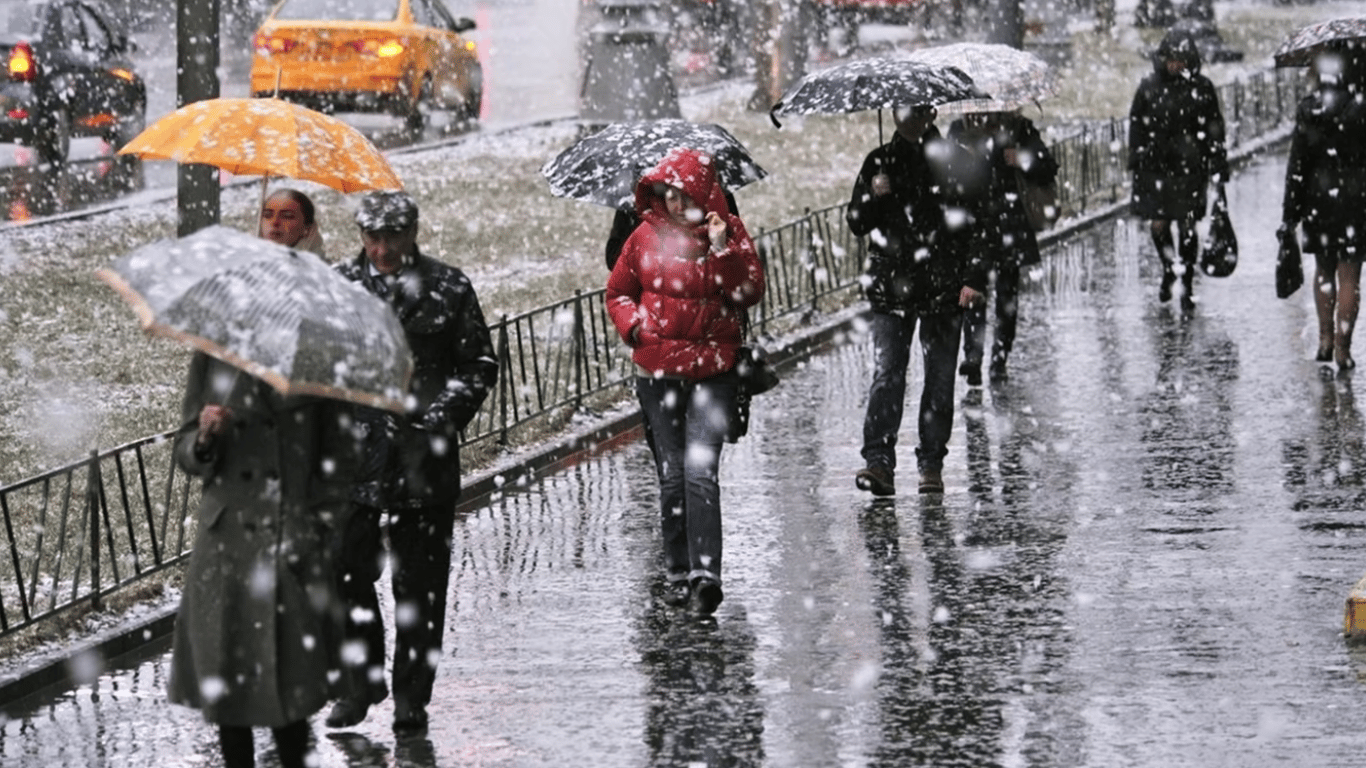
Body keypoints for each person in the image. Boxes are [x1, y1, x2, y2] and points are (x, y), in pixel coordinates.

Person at [327, 190, 498, 732]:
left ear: (411, 233)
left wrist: (438, 413)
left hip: (424, 457)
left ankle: (411, 698)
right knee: (345, 571)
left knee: (420, 585)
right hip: (356, 458)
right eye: (371, 238)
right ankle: (361, 681)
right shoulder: (339, 287)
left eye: (391, 236)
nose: (381, 248)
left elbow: (478, 364)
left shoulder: (448, 286)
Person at [167, 353, 360, 768]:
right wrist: (203, 439)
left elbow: (341, 460)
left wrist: (317, 529)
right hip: (227, 546)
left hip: (290, 543)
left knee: (291, 695)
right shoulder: (213, 356)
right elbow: (184, 452)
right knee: (229, 702)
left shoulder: (316, 359)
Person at [606, 147, 764, 615]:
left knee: (699, 470)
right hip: (658, 373)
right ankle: (677, 570)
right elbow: (618, 291)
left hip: (713, 372)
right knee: (673, 474)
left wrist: (722, 250)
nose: (675, 203)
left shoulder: (728, 232)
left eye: (683, 193)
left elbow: (748, 292)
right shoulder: (642, 237)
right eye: (668, 194)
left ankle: (705, 576)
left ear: (702, 192)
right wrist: (634, 325)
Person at [847, 104, 986, 497]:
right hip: (891, 286)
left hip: (943, 283)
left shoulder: (955, 161)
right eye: (898, 108)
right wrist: (875, 195)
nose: (904, 115)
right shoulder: (879, 162)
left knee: (939, 378)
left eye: (914, 108)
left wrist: (973, 276)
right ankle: (878, 461)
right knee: (888, 372)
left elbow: (979, 222)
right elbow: (856, 221)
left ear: (930, 112)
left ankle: (931, 463)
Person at [947, 110, 1058, 385]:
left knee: (1007, 298)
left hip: (1010, 224)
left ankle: (999, 359)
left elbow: (1048, 166)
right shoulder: (960, 130)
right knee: (973, 292)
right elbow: (945, 175)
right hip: (974, 225)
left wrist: (1022, 159)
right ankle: (973, 357)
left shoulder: (1018, 128)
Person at [1127, 28, 1229, 311]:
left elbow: (1214, 128)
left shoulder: (1202, 88)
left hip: (1190, 168)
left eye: (1181, 59)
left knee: (1187, 226)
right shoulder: (1148, 87)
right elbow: (1136, 123)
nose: (1176, 65)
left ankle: (1186, 281)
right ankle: (1169, 267)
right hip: (1155, 168)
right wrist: (1137, 155)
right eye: (1171, 59)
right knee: (1159, 225)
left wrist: (1218, 161)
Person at [1281, 49, 1366, 370]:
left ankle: (1325, 339)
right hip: (1356, 200)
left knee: (1323, 271)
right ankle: (1344, 349)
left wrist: (1290, 213)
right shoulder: (1362, 109)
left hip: (1319, 199)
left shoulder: (1309, 109)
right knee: (1349, 276)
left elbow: (1297, 165)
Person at [259, 188, 326, 256]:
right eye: (267, 215)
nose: (274, 222)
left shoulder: (320, 265)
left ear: (307, 229)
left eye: (287, 216)